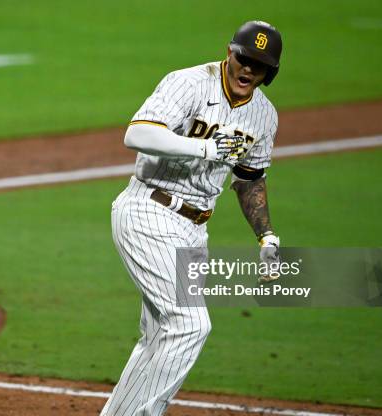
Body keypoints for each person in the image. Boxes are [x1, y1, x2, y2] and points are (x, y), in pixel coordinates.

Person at [101, 20, 283, 415]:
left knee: (158, 337)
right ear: (230, 52)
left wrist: (266, 237)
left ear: (270, 72)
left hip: (194, 230)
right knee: (189, 324)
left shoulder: (264, 117)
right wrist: (203, 148)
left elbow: (250, 180)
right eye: (244, 58)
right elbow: (137, 134)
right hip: (149, 209)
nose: (248, 70)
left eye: (259, 65)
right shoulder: (189, 84)